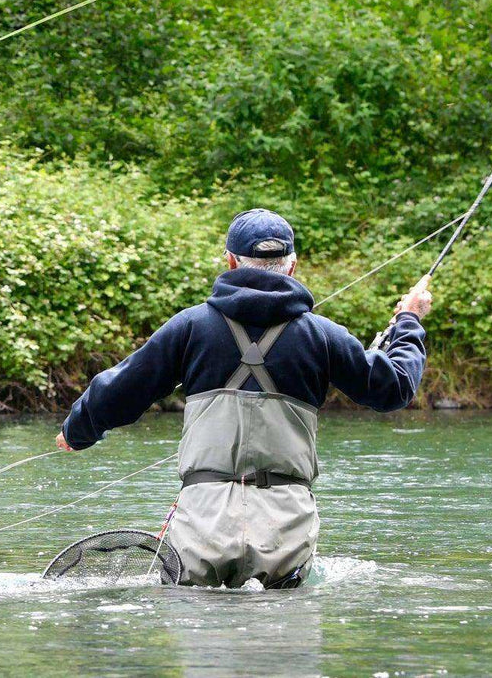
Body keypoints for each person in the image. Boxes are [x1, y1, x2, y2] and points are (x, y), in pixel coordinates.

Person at [55, 208, 432, 589]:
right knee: (281, 635)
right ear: (293, 266)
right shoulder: (322, 335)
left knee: (204, 630)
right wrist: (409, 321)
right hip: (286, 521)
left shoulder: (190, 326)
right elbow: (394, 387)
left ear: (231, 262)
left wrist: (77, 431)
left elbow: (121, 389)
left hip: (204, 520)